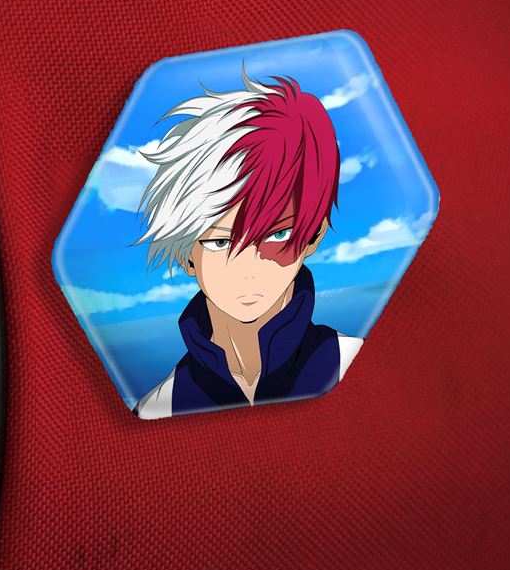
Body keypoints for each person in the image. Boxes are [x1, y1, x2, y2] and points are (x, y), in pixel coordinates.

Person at [132, 72, 362, 419]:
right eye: (220, 241)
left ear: (313, 236)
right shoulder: (163, 404)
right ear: (186, 255)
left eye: (276, 236)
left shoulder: (350, 363)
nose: (247, 270)